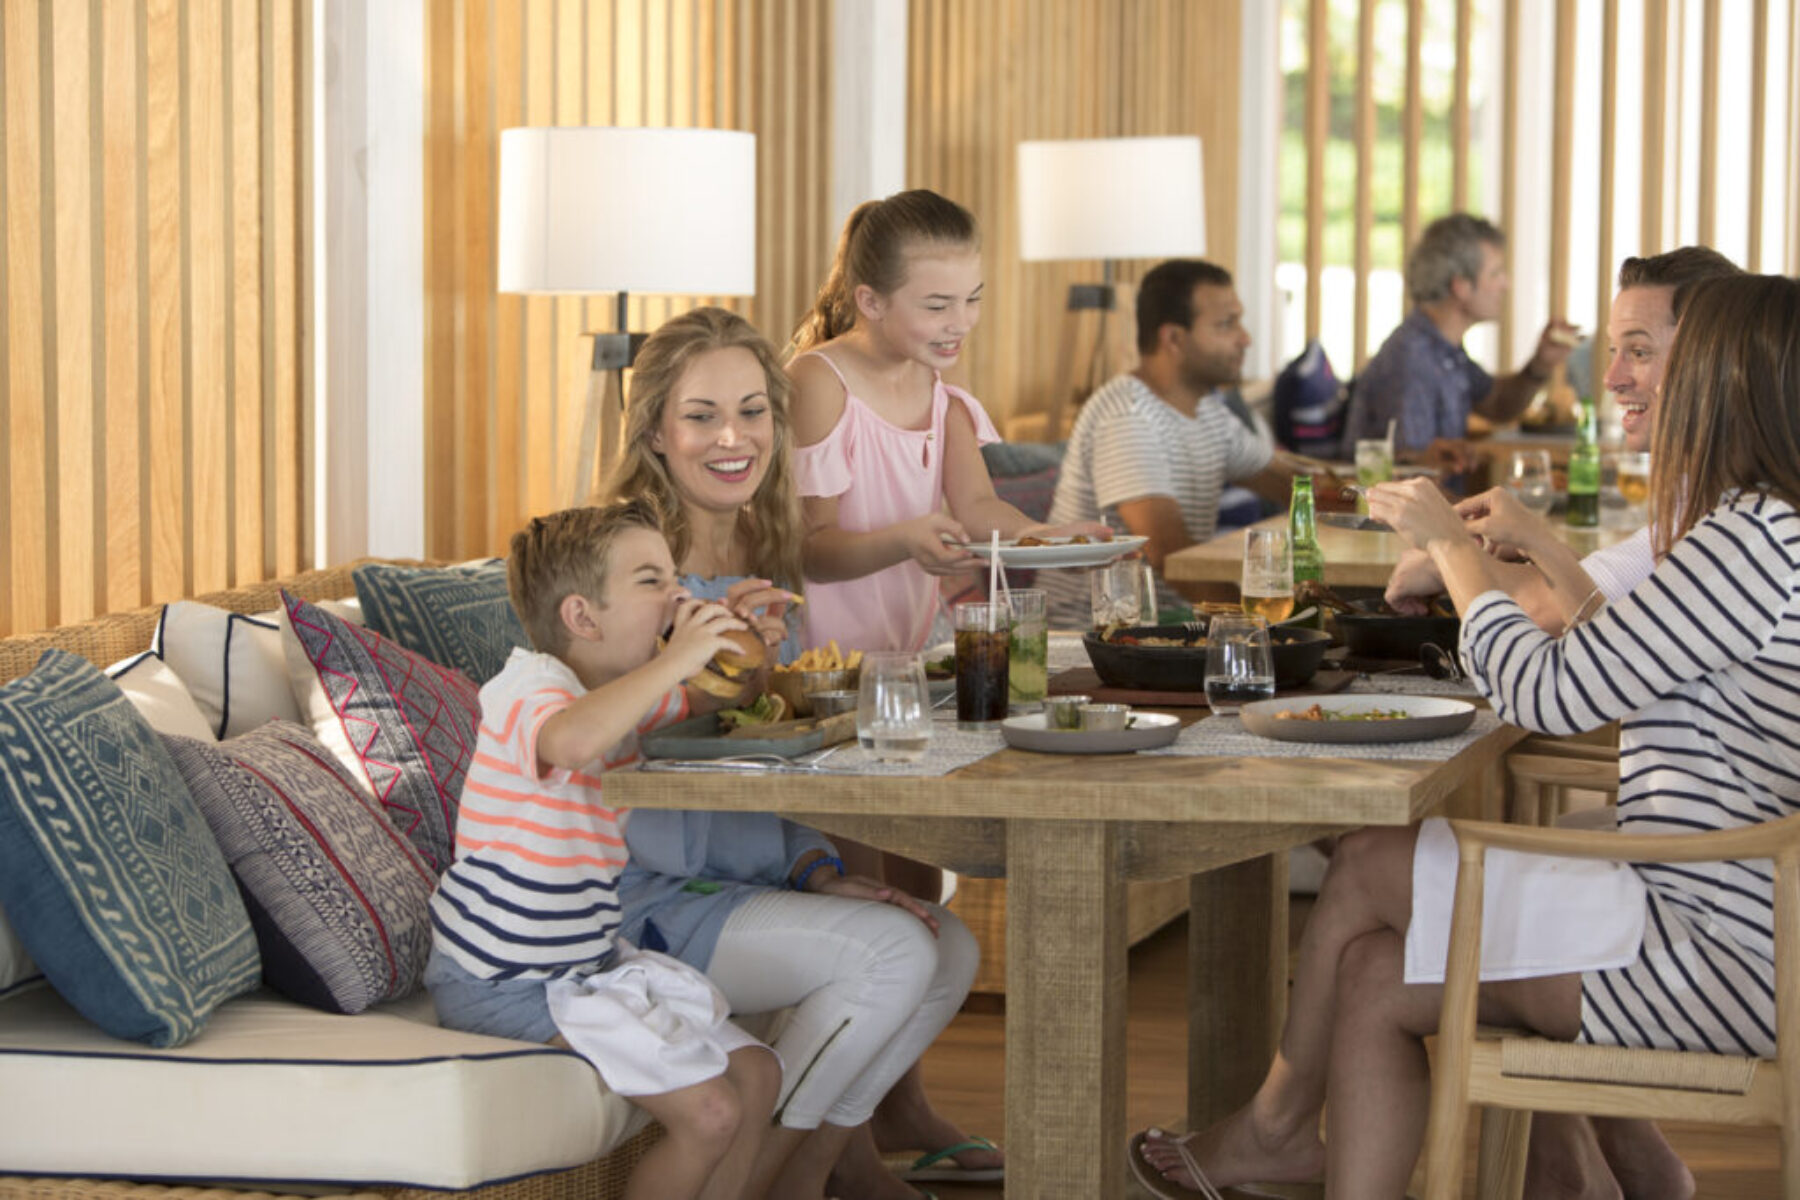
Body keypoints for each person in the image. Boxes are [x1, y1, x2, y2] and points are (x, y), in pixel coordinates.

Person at [1132, 273, 1800, 1200]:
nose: (1628, 377)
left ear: (1729, 384)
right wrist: (1511, 555)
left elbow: (1549, 694)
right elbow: (1625, 655)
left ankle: (1278, 1129)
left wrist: (1452, 550)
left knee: (1369, 861)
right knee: (1373, 972)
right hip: (1717, 909)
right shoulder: (1760, 530)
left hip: (1715, 956)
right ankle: (1286, 1139)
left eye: (1666, 358)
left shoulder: (1751, 541)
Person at [604, 306, 998, 1198]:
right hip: (651, 898)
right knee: (894, 954)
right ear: (656, 431)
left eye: (753, 411)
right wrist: (718, 667)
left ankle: (808, 1174)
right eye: (702, 416)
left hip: (753, 881)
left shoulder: (765, 552)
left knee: (948, 946)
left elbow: (770, 758)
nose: (733, 438)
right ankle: (775, 1186)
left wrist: (819, 872)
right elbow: (618, 751)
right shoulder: (626, 565)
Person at [423, 499, 777, 1200]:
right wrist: (678, 657)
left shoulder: (623, 691)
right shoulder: (529, 685)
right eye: (652, 581)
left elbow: (714, 707)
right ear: (583, 618)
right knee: (709, 1114)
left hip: (583, 960)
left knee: (759, 1075)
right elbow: (575, 742)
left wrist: (749, 648)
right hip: (504, 980)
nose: (679, 595)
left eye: (675, 577)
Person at [786, 188, 1109, 653]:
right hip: (818, 662)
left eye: (972, 299)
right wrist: (906, 540)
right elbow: (812, 551)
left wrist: (1038, 536)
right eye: (937, 306)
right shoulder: (819, 381)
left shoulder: (940, 391)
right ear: (871, 302)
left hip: (902, 654)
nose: (961, 322)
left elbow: (977, 506)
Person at [1386, 245, 1744, 632]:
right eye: (1613, 350)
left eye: (1638, 352)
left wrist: (1448, 555)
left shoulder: (1736, 507)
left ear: (1711, 358)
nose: (1610, 379)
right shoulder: (1707, 485)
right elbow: (1615, 592)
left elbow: (1561, 615)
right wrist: (1535, 547)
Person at [1037, 258, 1318, 628]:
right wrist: (1265, 622)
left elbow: (1294, 483)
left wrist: (1371, 497)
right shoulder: (1129, 416)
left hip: (1165, 624)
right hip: (1093, 635)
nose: (1244, 338)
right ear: (1174, 338)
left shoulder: (1209, 413)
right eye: (1225, 324)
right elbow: (1169, 556)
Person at [1339, 212, 1579, 476]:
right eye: (1496, 273)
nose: (1506, 284)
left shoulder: (1445, 350)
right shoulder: (1412, 361)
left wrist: (1541, 363)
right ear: (1462, 286)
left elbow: (1498, 404)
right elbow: (1410, 484)